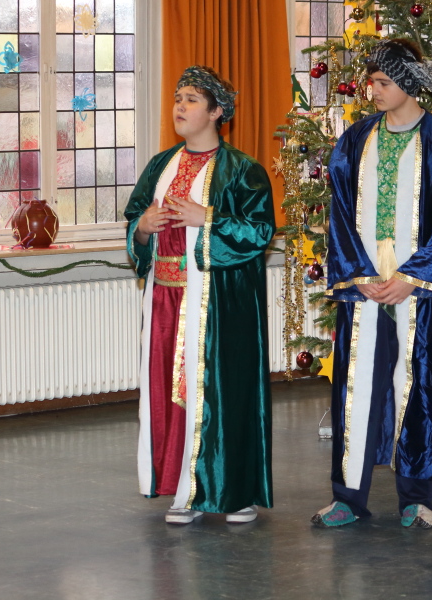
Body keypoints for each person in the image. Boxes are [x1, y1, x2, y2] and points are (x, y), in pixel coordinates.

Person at [313, 39, 432, 529]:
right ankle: (347, 497)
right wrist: (359, 274)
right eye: (372, 82)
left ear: (408, 82)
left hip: (416, 292)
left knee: (418, 386)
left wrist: (413, 277)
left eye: (383, 82)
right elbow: (340, 213)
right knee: (355, 387)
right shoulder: (354, 141)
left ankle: (416, 498)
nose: (374, 90)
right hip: (364, 288)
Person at [125, 66, 276, 525]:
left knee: (222, 394)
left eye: (191, 99)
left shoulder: (243, 170)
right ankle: (183, 490)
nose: (180, 106)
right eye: (178, 98)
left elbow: (259, 231)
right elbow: (136, 219)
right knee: (171, 395)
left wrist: (205, 217)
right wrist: (143, 228)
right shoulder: (160, 165)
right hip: (166, 301)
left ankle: (233, 491)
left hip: (219, 305)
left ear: (216, 112)